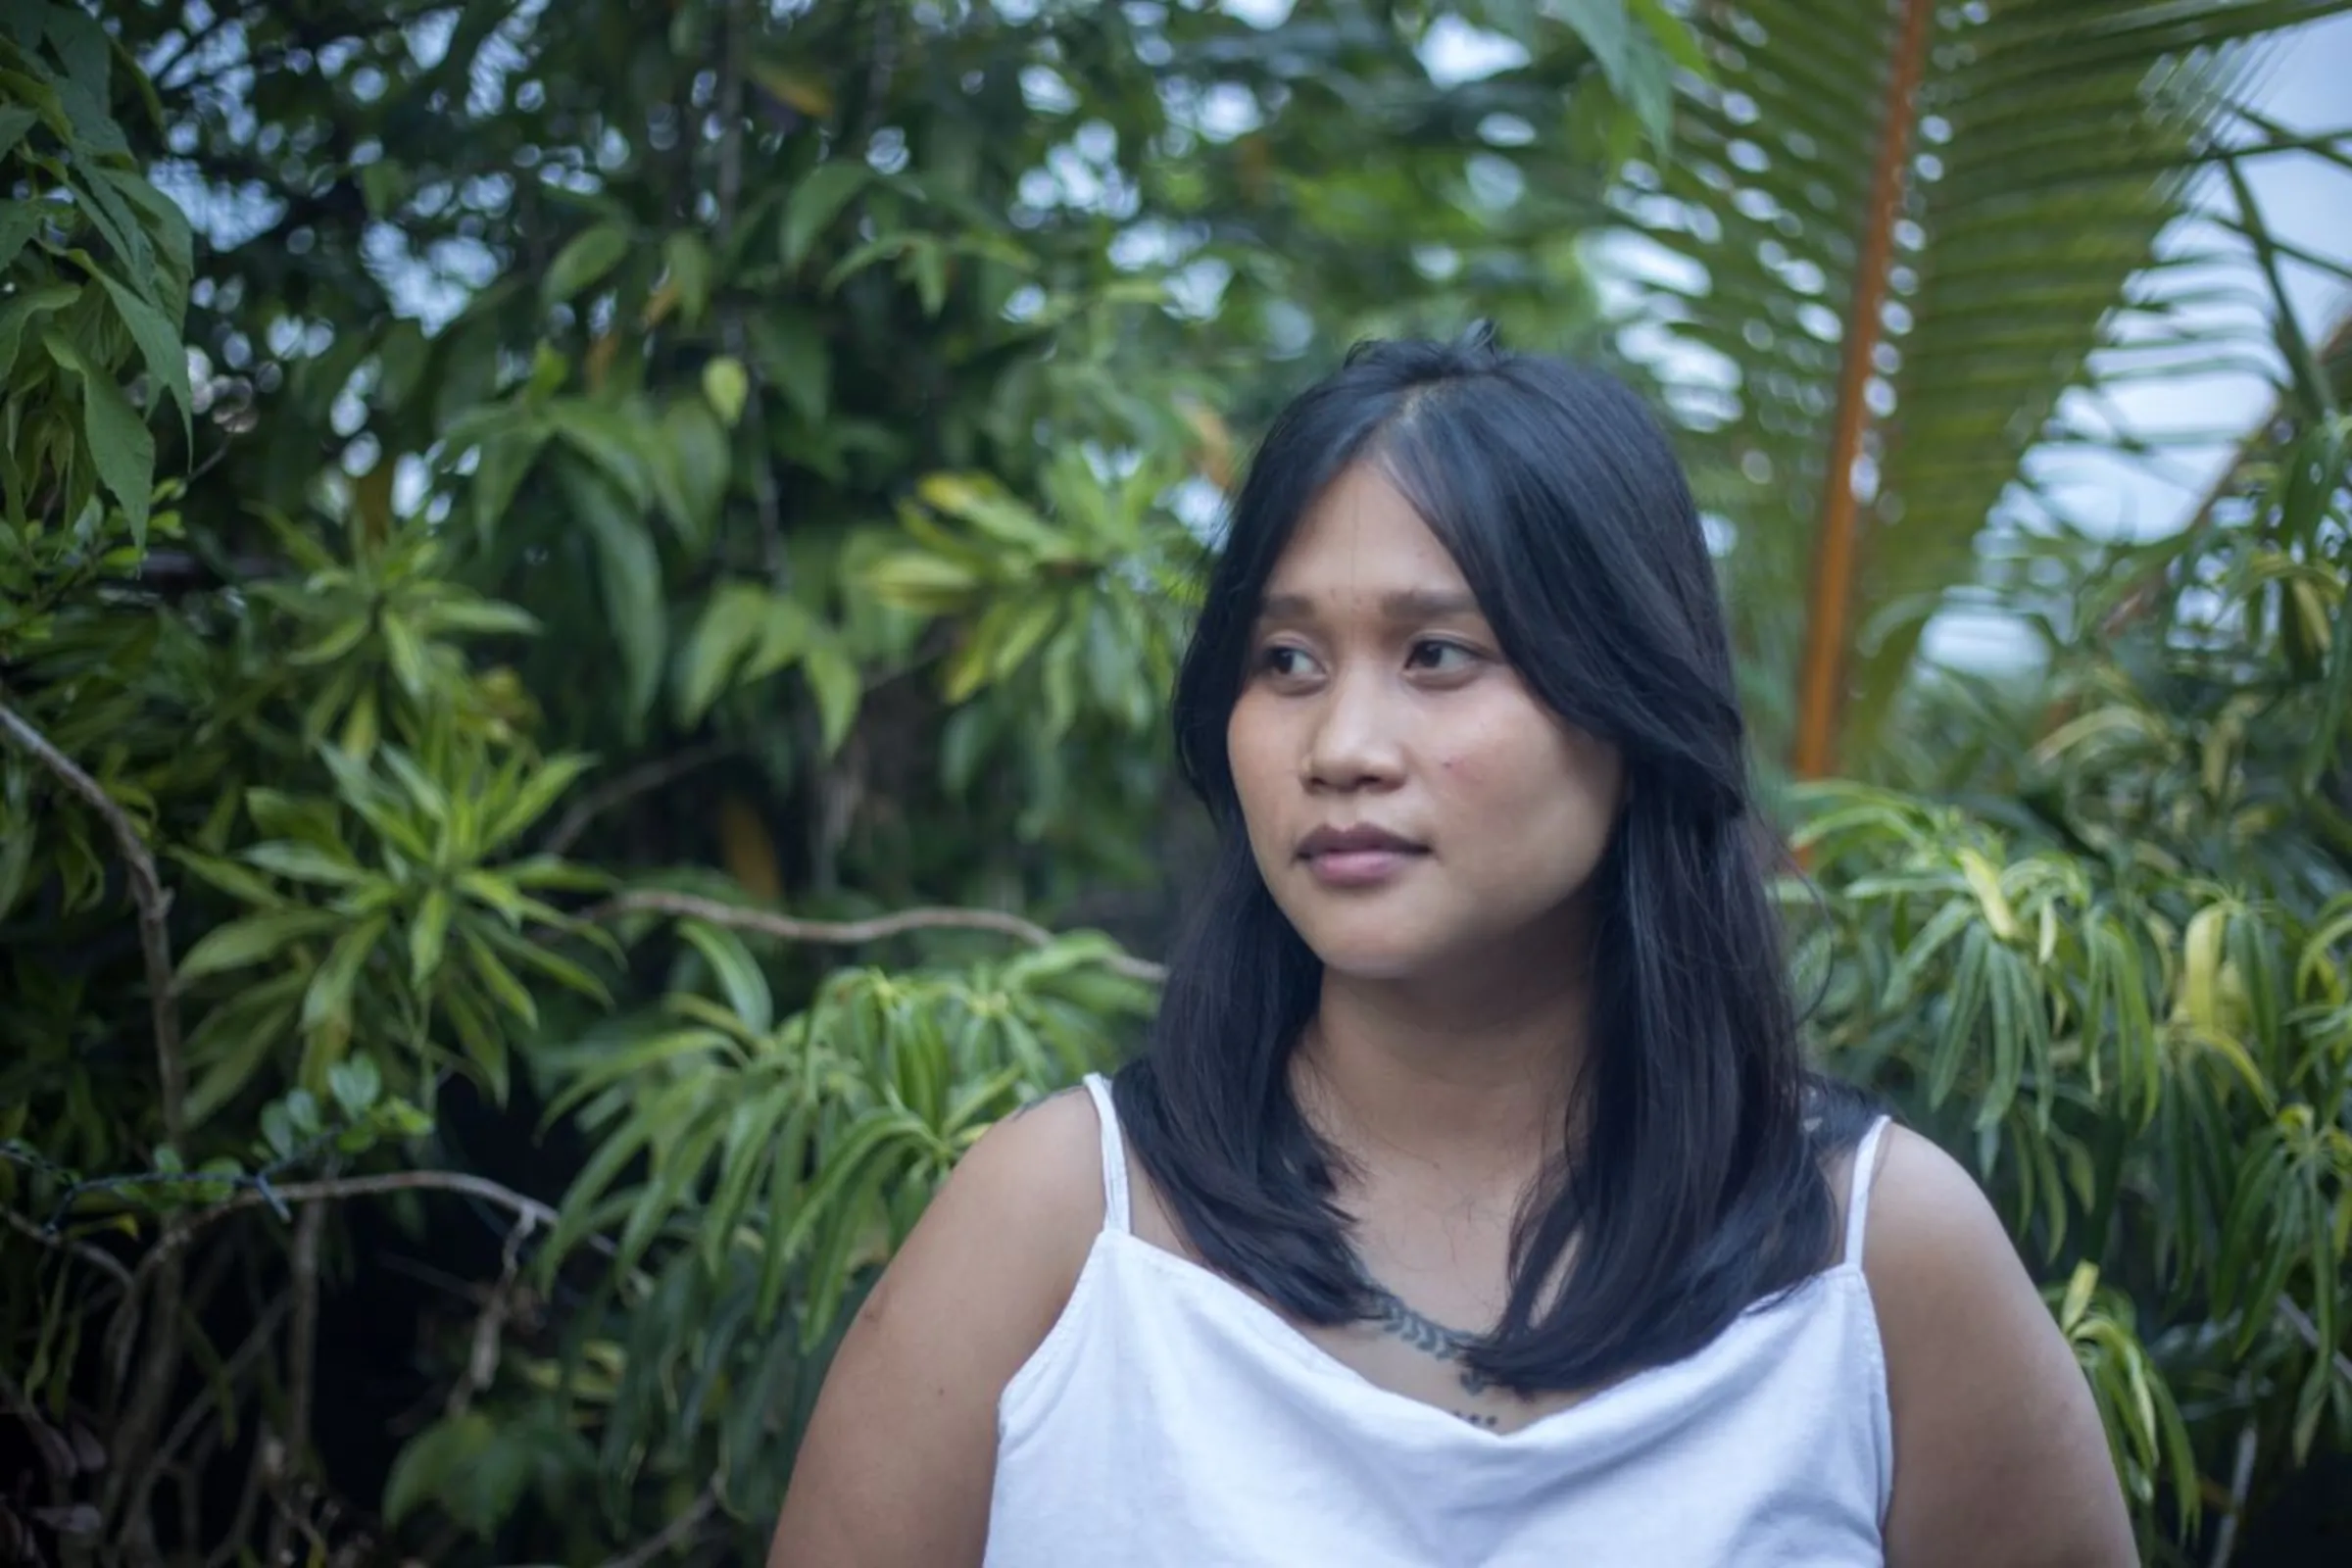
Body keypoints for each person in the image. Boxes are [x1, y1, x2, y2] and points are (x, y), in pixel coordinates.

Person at [769, 332, 2136, 1566]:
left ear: (1632, 700)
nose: (1342, 749)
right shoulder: (1059, 1228)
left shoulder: (1879, 1263)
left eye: (1436, 655)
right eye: (1287, 662)